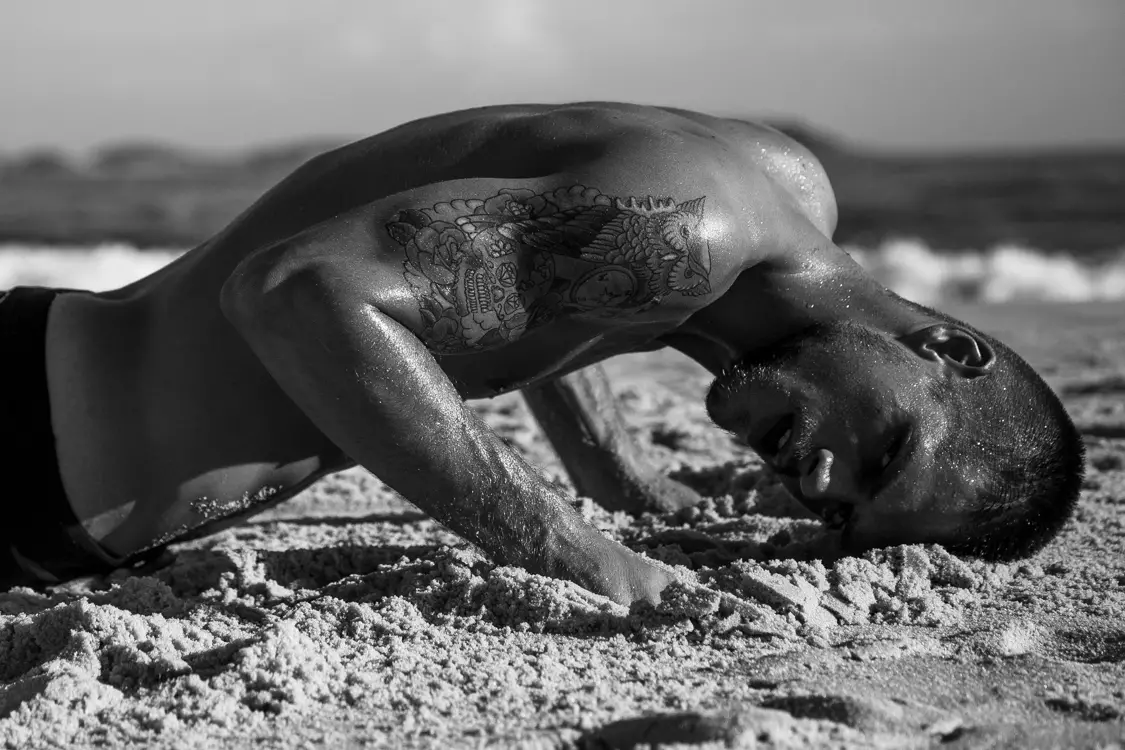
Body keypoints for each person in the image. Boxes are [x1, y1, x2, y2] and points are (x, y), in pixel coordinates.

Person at [1, 103, 1084, 604]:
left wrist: (611, 475)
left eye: (842, 515)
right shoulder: (688, 233)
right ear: (947, 343)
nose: (815, 484)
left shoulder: (768, 202)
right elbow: (295, 295)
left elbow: (547, 278)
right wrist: (569, 549)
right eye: (883, 453)